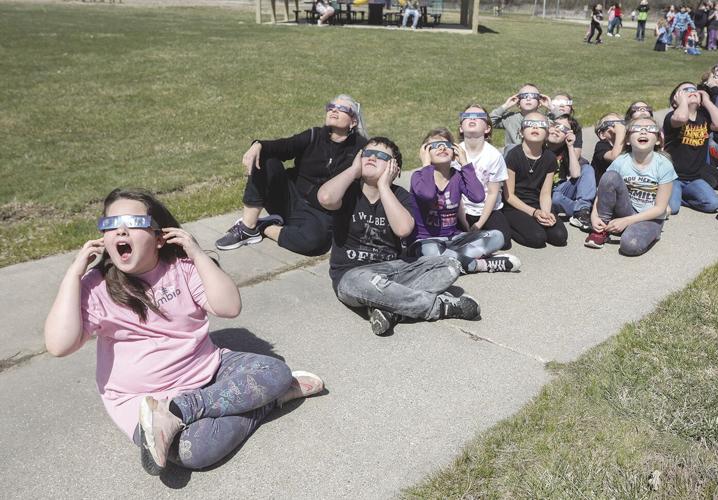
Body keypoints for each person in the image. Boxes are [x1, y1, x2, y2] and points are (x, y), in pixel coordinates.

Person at [44, 188, 324, 474]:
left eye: (134, 223)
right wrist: (73, 275)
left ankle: (182, 412)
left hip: (209, 369)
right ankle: (269, 398)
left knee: (275, 371)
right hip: (144, 402)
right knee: (194, 451)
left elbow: (229, 307)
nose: (121, 232)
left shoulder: (182, 268)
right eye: (111, 225)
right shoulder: (96, 286)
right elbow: (58, 344)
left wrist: (196, 253)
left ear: (159, 236)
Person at [317, 136, 481, 336]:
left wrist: (384, 186)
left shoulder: (401, 196)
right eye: (367, 153)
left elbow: (403, 229)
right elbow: (325, 198)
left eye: (380, 156)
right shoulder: (348, 192)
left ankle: (392, 311)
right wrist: (353, 169)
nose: (371, 158)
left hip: (393, 272)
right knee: (359, 282)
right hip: (352, 275)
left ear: (394, 168)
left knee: (449, 265)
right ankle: (438, 307)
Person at [216, 95, 366, 256]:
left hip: (318, 212)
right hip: (287, 197)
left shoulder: (361, 149)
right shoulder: (314, 135)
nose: (334, 111)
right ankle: (247, 227)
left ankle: (265, 227)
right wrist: (257, 145)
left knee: (316, 243)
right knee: (265, 159)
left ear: (353, 121)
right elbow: (284, 146)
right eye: (331, 107)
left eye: (342, 109)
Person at [406, 128, 520, 273]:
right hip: (425, 241)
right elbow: (428, 195)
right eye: (434, 146)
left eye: (447, 145)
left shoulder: (458, 176)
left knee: (497, 237)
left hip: (453, 240)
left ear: (455, 151)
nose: (442, 148)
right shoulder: (419, 176)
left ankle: (449, 261)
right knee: (430, 251)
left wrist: (465, 164)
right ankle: (481, 265)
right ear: (425, 153)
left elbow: (478, 196)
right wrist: (426, 165)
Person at [585, 117, 676, 255]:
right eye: (637, 129)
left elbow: (660, 209)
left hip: (650, 217)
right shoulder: (621, 161)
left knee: (630, 245)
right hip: (626, 209)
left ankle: (648, 231)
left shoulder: (664, 165)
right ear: (627, 140)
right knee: (609, 176)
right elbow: (602, 189)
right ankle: (601, 229)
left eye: (650, 129)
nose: (643, 132)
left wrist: (627, 221)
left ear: (657, 140)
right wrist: (594, 216)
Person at [502, 112, 568, 248]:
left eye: (541, 125)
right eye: (530, 125)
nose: (535, 128)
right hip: (514, 206)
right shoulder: (513, 156)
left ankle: (536, 221)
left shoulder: (549, 157)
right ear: (521, 132)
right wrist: (533, 213)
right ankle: (509, 225)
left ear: (547, 132)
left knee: (560, 237)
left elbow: (545, 193)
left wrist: (546, 212)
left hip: (536, 203)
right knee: (537, 239)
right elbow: (509, 196)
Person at [663, 82, 718, 214]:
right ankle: (675, 196)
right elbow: (681, 118)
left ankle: (682, 197)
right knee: (673, 209)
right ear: (675, 101)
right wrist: (681, 103)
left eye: (694, 90)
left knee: (713, 204)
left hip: (694, 177)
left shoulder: (703, 118)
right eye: (685, 90)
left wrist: (707, 101)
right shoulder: (672, 117)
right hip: (673, 177)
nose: (692, 91)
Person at [457, 105, 514, 249]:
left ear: (487, 128)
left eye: (478, 117)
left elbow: (493, 193)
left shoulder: (494, 155)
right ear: (461, 128)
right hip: (461, 209)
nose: (472, 119)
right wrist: (464, 221)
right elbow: (455, 192)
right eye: (467, 116)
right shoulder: (454, 153)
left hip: (488, 210)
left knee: (505, 242)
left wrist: (479, 224)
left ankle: (476, 237)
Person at [547, 115, 596, 232]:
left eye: (563, 129)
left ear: (568, 135)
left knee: (587, 169)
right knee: (556, 198)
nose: (557, 129)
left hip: (562, 188)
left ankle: (583, 210)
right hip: (546, 194)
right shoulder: (540, 146)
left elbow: (575, 174)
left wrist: (570, 146)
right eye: (555, 125)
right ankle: (585, 212)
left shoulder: (566, 151)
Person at [490, 83, 551, 155]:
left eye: (533, 96)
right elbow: (489, 122)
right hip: (512, 157)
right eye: (524, 96)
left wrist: (551, 107)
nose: (528, 99)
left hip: (536, 155)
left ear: (539, 102)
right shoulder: (510, 118)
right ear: (518, 102)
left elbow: (559, 123)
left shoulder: (544, 119)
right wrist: (506, 106)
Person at [591, 112, 626, 183]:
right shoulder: (601, 146)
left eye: (621, 123)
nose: (618, 127)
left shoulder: (627, 145)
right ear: (602, 135)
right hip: (603, 188)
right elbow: (615, 157)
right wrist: (620, 133)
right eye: (612, 124)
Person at [547, 92, 584, 157]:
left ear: (571, 109)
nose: (562, 105)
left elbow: (576, 156)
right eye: (557, 102)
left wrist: (570, 145)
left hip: (566, 159)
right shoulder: (543, 120)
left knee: (586, 167)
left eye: (566, 103)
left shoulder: (574, 127)